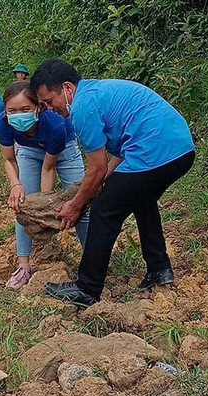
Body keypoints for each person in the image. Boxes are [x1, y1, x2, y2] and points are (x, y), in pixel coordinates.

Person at [30, 59, 195, 308]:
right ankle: (159, 268)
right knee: (141, 198)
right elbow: (114, 159)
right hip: (180, 149)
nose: (49, 108)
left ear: (67, 88)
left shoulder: (83, 108)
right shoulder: (97, 92)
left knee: (104, 211)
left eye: (49, 101)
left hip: (156, 149)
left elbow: (96, 170)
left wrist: (76, 204)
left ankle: (87, 288)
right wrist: (97, 186)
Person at [0, 80, 89, 288]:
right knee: (22, 204)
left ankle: (91, 261)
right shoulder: (3, 123)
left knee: (82, 202)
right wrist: (15, 185)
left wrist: (45, 205)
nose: (18, 115)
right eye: (12, 110)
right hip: (28, 151)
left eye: (25, 109)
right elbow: (9, 159)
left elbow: (49, 168)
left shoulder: (54, 125)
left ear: (38, 107)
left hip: (63, 150)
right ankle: (23, 266)